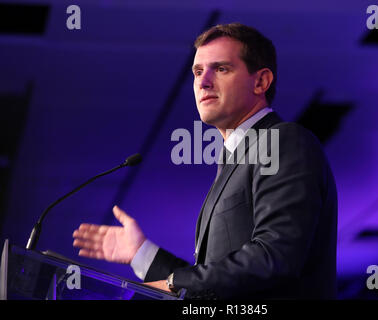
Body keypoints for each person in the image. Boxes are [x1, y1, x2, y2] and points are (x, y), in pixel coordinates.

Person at [72, 23, 338, 300]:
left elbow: (275, 256)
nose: (203, 81)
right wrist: (142, 253)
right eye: (198, 72)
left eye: (220, 69)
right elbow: (214, 290)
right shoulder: (236, 159)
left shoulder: (283, 141)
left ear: (260, 82)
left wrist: (175, 281)